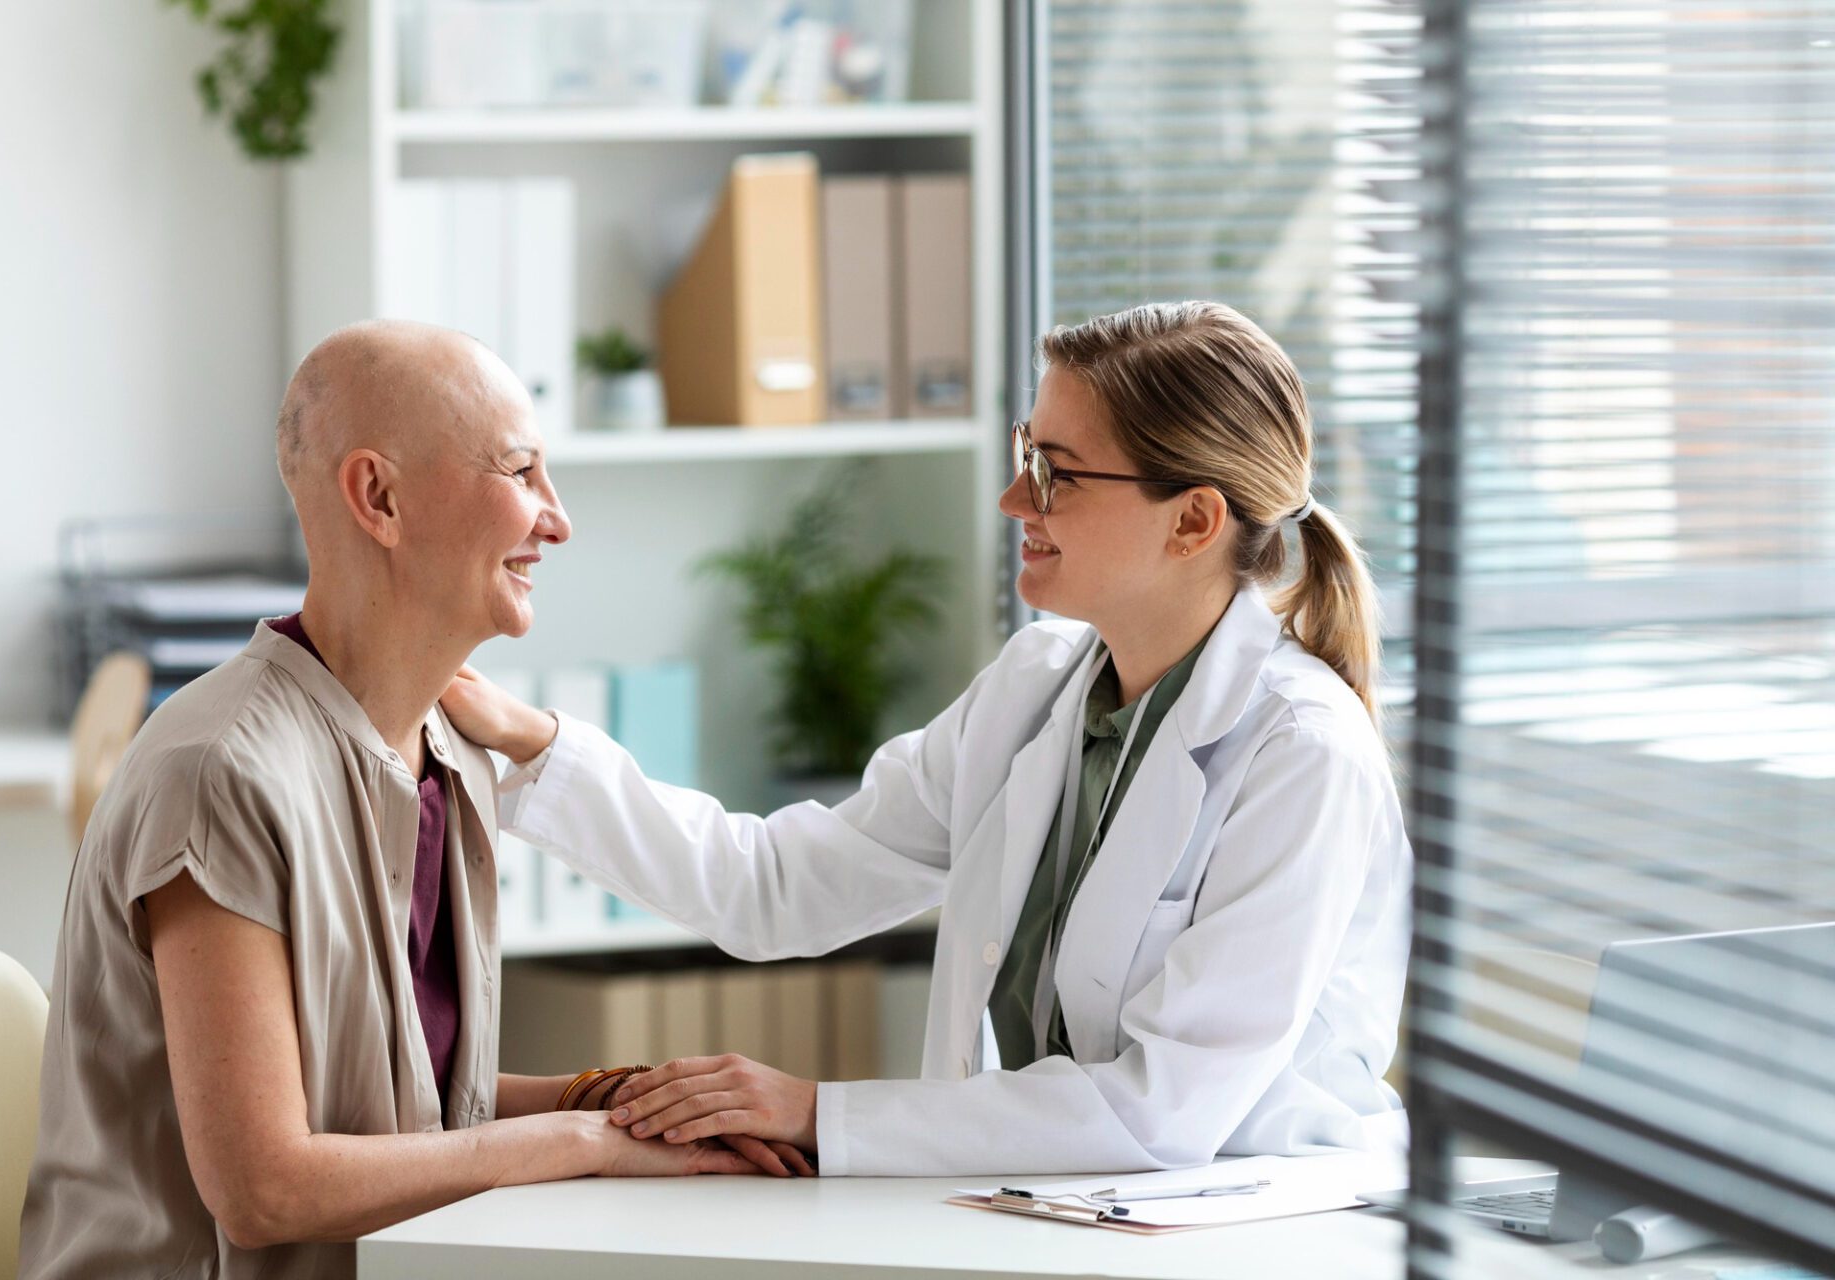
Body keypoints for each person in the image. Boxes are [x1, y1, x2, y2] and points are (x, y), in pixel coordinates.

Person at [440, 300, 1413, 1177]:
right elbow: (774, 887)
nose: (1014, 502)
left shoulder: (1301, 753)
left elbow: (1161, 1108)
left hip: (1259, 1222)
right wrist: (530, 743)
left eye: (1056, 474)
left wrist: (819, 1111)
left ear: (1194, 519)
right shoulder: (1033, 692)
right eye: (1028, 453)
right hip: (1064, 1207)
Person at [19, 322, 793, 1280]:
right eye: (521, 472)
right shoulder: (220, 774)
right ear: (378, 498)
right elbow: (268, 1188)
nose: (556, 519)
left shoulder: (450, 751)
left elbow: (411, 1106)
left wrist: (622, 1102)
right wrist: (583, 1146)